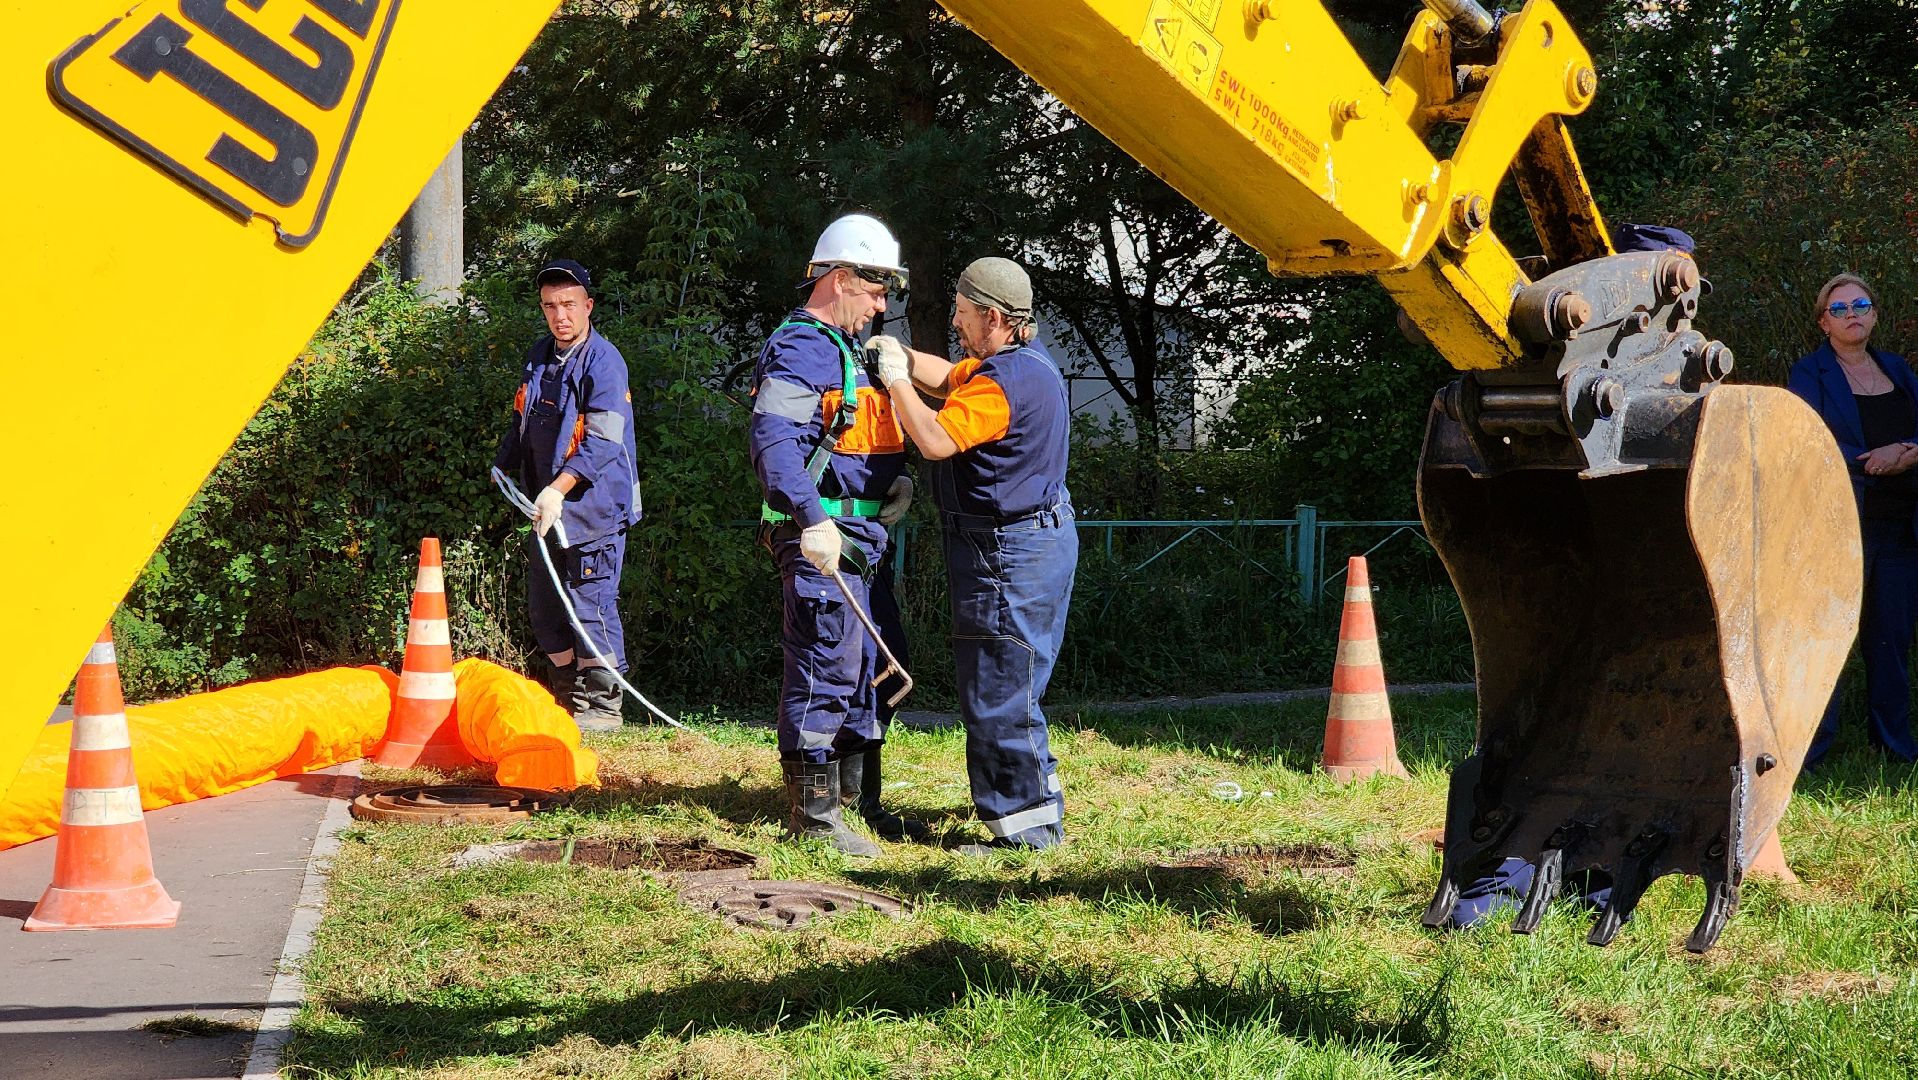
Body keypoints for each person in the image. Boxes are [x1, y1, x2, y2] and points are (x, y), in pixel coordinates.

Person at [868, 256, 1076, 851]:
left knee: (1000, 685)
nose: (955, 324)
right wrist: (903, 357)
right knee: (1016, 679)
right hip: (1033, 539)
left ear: (992, 317)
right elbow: (946, 376)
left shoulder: (1002, 384)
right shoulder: (1020, 365)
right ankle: (1032, 801)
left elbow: (933, 439)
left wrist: (895, 382)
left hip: (1007, 554)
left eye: (961, 314)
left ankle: (1027, 833)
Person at [750, 213, 921, 856]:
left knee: (872, 664)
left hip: (862, 536)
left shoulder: (847, 349)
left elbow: (855, 433)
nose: (882, 307)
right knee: (825, 665)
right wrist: (811, 520)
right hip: (822, 537)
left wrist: (891, 483)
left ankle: (858, 804)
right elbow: (774, 444)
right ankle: (814, 816)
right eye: (876, 292)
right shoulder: (800, 348)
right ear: (842, 278)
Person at [492, 259, 642, 733]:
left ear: (588, 306)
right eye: (550, 306)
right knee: (545, 610)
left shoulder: (605, 362)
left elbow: (603, 442)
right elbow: (524, 420)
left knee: (590, 606)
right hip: (546, 513)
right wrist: (503, 464)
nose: (560, 315)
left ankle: (602, 707)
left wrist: (557, 489)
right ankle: (567, 697)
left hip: (594, 511)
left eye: (569, 305)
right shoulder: (539, 356)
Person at [1788, 272, 1918, 765]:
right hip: (1843, 527)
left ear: (1875, 314)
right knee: (1828, 643)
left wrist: (1907, 451)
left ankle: (1893, 746)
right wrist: (1872, 460)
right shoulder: (1809, 373)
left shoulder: (1898, 370)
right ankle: (1810, 753)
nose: (1851, 314)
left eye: (1860, 304)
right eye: (1838, 309)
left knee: (1892, 641)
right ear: (1824, 322)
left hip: (1902, 528)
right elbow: (1805, 438)